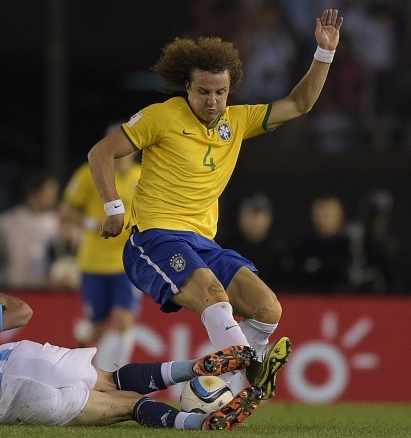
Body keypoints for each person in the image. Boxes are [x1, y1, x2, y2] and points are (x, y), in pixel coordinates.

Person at [87, 8, 343, 401]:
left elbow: (300, 104)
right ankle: (250, 367)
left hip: (202, 244)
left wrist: (324, 53)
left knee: (267, 309)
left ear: (230, 89)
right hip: (154, 238)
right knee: (213, 295)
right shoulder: (161, 117)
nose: (212, 101)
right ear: (186, 88)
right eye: (203, 92)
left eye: (220, 93)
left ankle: (223, 393)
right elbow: (101, 152)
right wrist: (114, 209)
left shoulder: (237, 122)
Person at [0, 279, 263, 430]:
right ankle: (197, 366)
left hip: (9, 410)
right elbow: (21, 314)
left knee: (128, 406)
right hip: (15, 364)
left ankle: (198, 424)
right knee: (109, 379)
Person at [61, 121, 143, 370]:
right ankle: (82, 339)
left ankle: (117, 376)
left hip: (127, 261)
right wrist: (91, 222)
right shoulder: (88, 173)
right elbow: (66, 210)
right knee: (97, 327)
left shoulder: (144, 174)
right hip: (93, 261)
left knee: (123, 320)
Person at [0, 169, 60, 289]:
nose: (54, 198)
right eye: (49, 193)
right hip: (13, 286)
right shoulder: (8, 221)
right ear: (34, 193)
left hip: (45, 290)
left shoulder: (57, 222)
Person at [222, 193, 292, 291]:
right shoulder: (225, 249)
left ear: (269, 218)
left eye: (258, 214)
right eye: (248, 213)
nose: (254, 220)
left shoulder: (278, 252)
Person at [290, 195, 353, 293]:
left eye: (325, 215)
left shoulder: (349, 246)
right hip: (308, 297)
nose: (321, 220)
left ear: (339, 216)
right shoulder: (305, 246)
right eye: (317, 215)